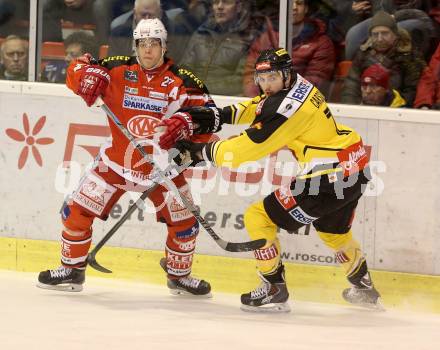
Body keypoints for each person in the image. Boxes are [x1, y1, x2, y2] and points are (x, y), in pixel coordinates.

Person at [157, 48, 382, 312]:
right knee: (334, 231)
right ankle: (364, 287)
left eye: (272, 78)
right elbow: (255, 107)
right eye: (261, 79)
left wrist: (198, 151)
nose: (266, 85)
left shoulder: (287, 109)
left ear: (285, 74)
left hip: (328, 178)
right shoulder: (295, 85)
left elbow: (241, 152)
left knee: (258, 217)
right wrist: (203, 118)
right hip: (354, 167)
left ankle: (274, 287)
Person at [37, 18, 215, 297]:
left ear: (164, 46)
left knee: (185, 224)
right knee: (75, 211)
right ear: (135, 46)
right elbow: (76, 67)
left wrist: (187, 131)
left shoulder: (184, 82)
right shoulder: (116, 68)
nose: (147, 50)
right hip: (116, 163)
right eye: (142, 44)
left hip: (162, 170)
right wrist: (83, 76)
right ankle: (72, 270)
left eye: (154, 44)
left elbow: (210, 121)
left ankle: (179, 276)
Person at [243, 0, 335, 97]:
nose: (294, 7)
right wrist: (258, 102)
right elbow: (251, 75)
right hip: (264, 104)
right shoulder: (266, 38)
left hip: (297, 105)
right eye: (290, 3)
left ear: (306, 9)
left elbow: (314, 81)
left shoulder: (321, 43)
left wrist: (282, 104)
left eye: (299, 3)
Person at [179, 0, 264, 96]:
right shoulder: (201, 33)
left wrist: (201, 88)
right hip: (194, 97)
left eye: (226, 2)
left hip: (227, 101)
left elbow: (239, 81)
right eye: (215, 2)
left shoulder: (248, 38)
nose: (219, 7)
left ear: (239, 7)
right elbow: (185, 68)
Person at [341, 10, 426, 106]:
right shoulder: (363, 53)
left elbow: (412, 90)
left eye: (385, 33)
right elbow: (351, 84)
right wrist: (352, 107)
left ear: (395, 34)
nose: (380, 38)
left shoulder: (409, 56)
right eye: (375, 34)